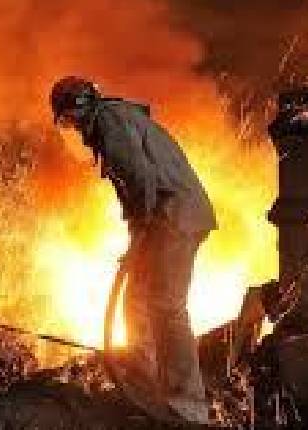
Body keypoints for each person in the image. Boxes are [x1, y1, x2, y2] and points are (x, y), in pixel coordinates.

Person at [50, 76, 217, 425]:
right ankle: (143, 389)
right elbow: (139, 185)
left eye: (68, 120)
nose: (72, 129)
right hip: (166, 217)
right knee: (137, 300)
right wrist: (136, 241)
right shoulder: (117, 117)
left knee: (166, 306)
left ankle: (188, 407)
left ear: (78, 109)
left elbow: (140, 179)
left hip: (174, 217)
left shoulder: (108, 120)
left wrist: (140, 231)